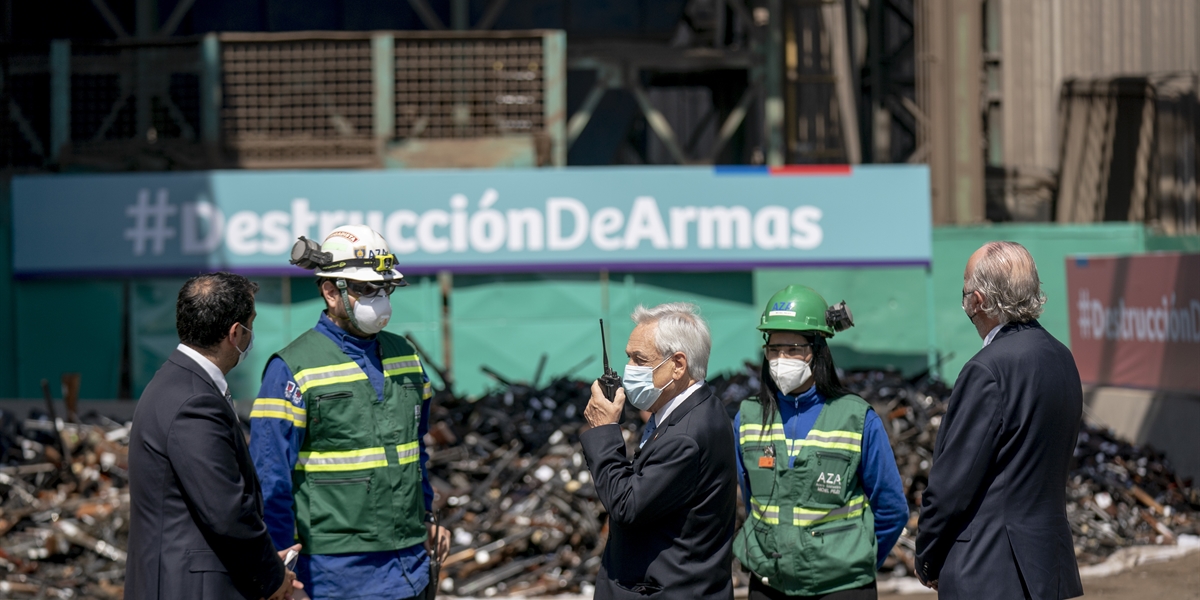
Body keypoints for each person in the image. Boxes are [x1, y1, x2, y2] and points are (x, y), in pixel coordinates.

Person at [249, 225, 449, 600]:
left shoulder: (405, 355)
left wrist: (426, 517)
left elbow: (414, 452)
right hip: (334, 574)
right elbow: (270, 473)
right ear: (330, 291)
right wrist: (279, 564)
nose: (379, 299)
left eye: (384, 289)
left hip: (410, 565)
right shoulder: (291, 368)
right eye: (366, 289)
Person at [915, 241, 1084, 599]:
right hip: (1047, 569)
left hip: (988, 570)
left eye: (965, 289)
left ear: (977, 300)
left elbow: (952, 484)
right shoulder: (1062, 357)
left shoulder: (987, 369)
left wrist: (927, 555)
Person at [126, 272, 300, 600]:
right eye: (251, 324)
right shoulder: (196, 401)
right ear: (236, 333)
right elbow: (226, 511)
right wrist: (272, 577)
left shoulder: (175, 383)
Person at [733, 285, 907, 600]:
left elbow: (891, 509)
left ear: (817, 349)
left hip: (842, 587)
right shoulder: (747, 417)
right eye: (773, 348)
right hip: (770, 584)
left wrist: (858, 560)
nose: (780, 359)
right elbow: (753, 499)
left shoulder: (857, 418)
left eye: (793, 349)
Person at [580, 302, 737, 600]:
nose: (629, 370)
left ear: (678, 365)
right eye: (628, 358)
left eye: (640, 360)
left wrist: (604, 431)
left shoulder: (686, 435)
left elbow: (626, 504)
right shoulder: (699, 408)